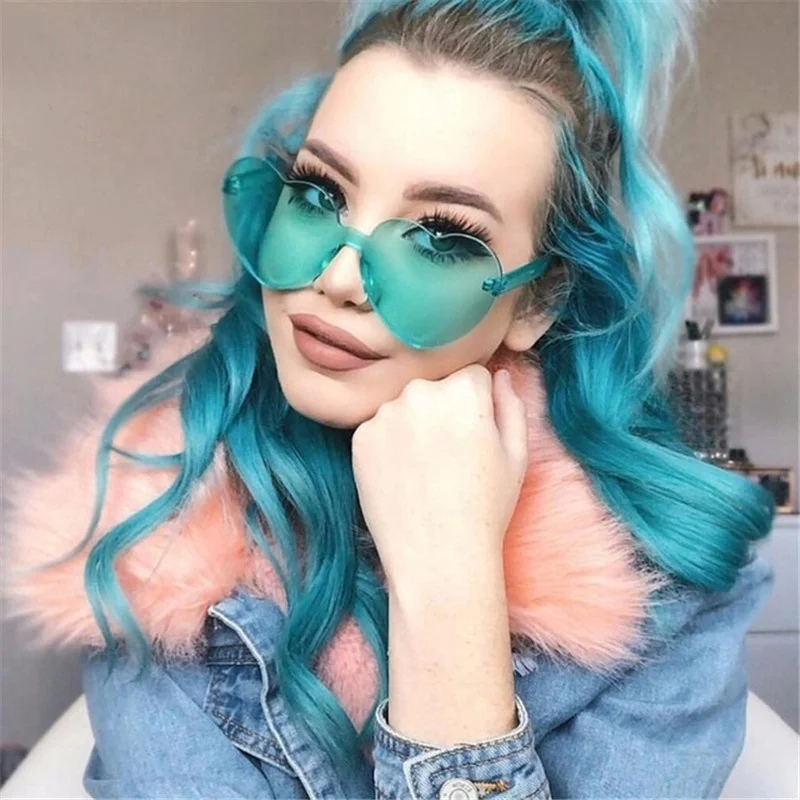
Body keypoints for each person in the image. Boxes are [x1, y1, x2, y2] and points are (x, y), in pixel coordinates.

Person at [2, 0, 777, 798]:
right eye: (318, 194)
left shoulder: (664, 588)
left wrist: (451, 589)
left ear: (537, 301)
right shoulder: (154, 524)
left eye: (441, 237)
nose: (338, 277)